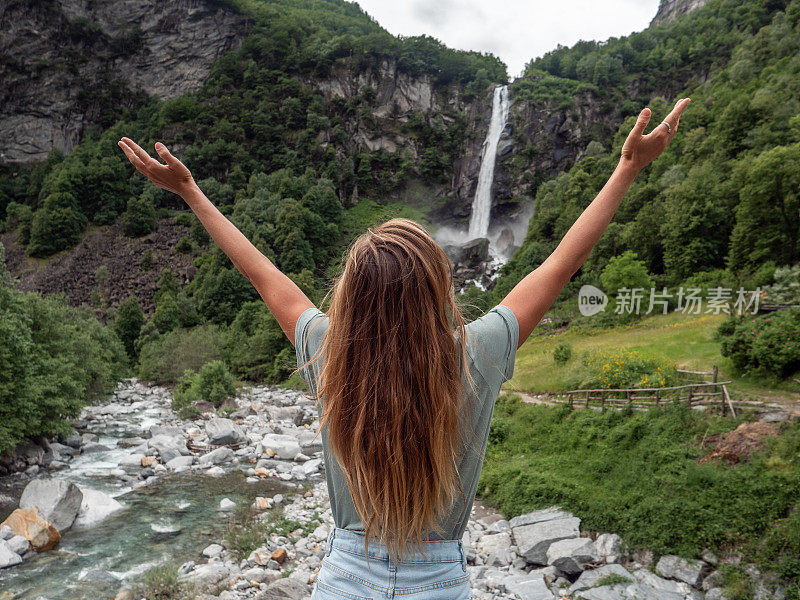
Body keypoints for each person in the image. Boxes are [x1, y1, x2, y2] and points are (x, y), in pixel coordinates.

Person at [118, 97, 690, 599]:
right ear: (439, 286)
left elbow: (266, 277)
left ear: (353, 294)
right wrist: (626, 170)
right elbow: (560, 265)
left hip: (345, 577)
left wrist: (191, 192)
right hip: (442, 581)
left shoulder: (329, 352)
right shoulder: (478, 352)